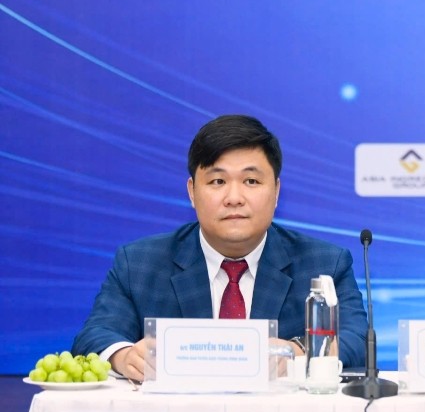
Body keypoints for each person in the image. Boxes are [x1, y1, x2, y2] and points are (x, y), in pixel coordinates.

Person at [73, 115, 368, 380]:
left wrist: (298, 353)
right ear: (192, 192)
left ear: (276, 191)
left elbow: (356, 340)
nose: (234, 197)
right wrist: (125, 357)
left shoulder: (324, 263)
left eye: (251, 181)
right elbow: (94, 336)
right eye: (217, 181)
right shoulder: (139, 262)